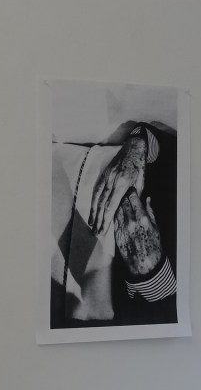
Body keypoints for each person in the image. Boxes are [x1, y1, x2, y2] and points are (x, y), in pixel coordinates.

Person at [51, 120, 177, 327]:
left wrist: (151, 274)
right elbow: (172, 150)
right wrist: (137, 146)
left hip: (85, 302)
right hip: (62, 161)